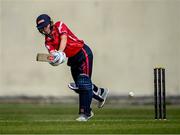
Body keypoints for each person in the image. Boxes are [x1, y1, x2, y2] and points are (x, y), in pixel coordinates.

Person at [36, 14, 109, 121]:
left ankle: (86, 114)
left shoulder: (59, 25)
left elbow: (64, 39)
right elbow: (53, 56)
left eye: (45, 26)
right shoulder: (47, 42)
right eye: (41, 28)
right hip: (73, 59)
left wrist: (60, 52)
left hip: (83, 53)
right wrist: (55, 60)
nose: (43, 29)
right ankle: (101, 92)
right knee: (81, 87)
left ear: (50, 23)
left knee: (83, 83)